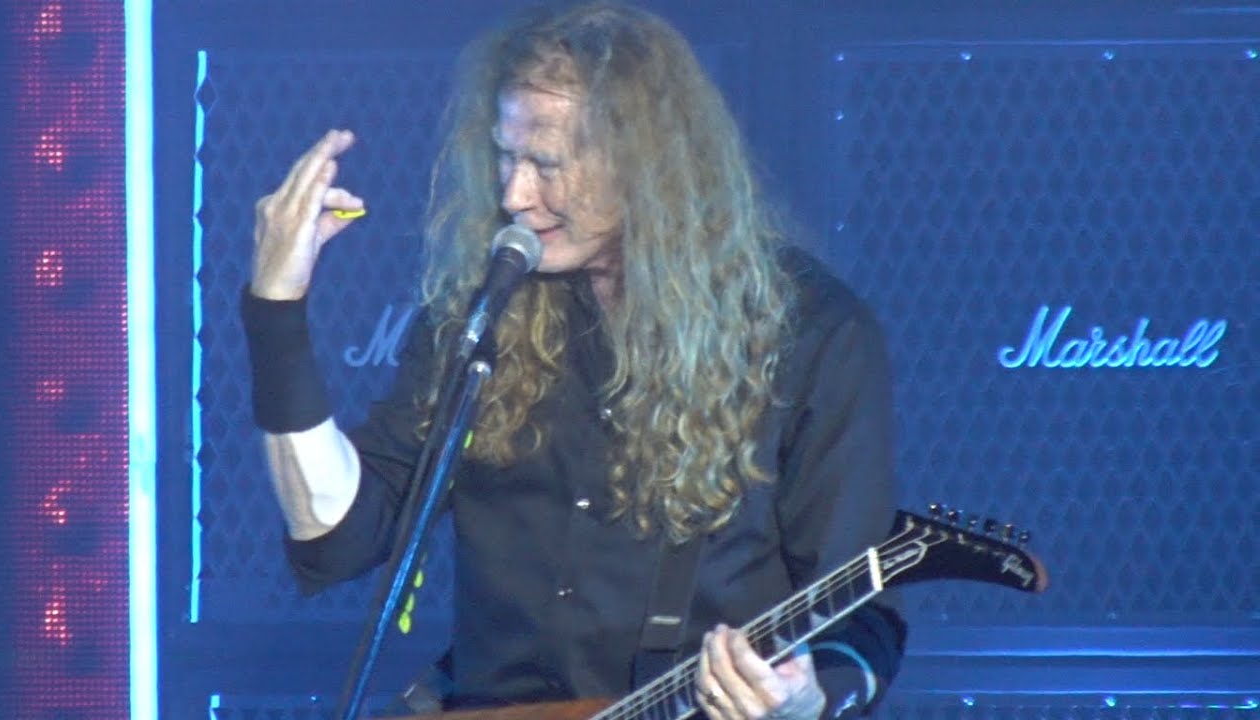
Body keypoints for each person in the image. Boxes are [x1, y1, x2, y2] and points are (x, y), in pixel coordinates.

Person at [241, 2, 906, 718]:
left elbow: (861, 612)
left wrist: (806, 699)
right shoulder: (485, 316)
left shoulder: (808, 334)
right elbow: (337, 536)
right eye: (505, 156)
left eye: (546, 164)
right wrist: (276, 309)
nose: (515, 195)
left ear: (645, 164)